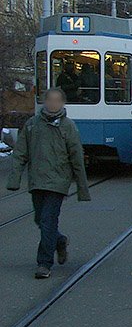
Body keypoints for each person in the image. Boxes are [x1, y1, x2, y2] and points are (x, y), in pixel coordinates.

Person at [6, 87, 91, 279]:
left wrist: (82, 188)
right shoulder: (32, 125)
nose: (53, 104)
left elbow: (76, 157)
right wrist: (15, 179)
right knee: (40, 220)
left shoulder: (68, 126)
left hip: (58, 182)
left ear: (62, 103)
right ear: (45, 102)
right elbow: (20, 153)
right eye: (50, 100)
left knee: (47, 220)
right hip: (37, 180)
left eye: (57, 100)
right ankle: (59, 240)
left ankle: (44, 263)